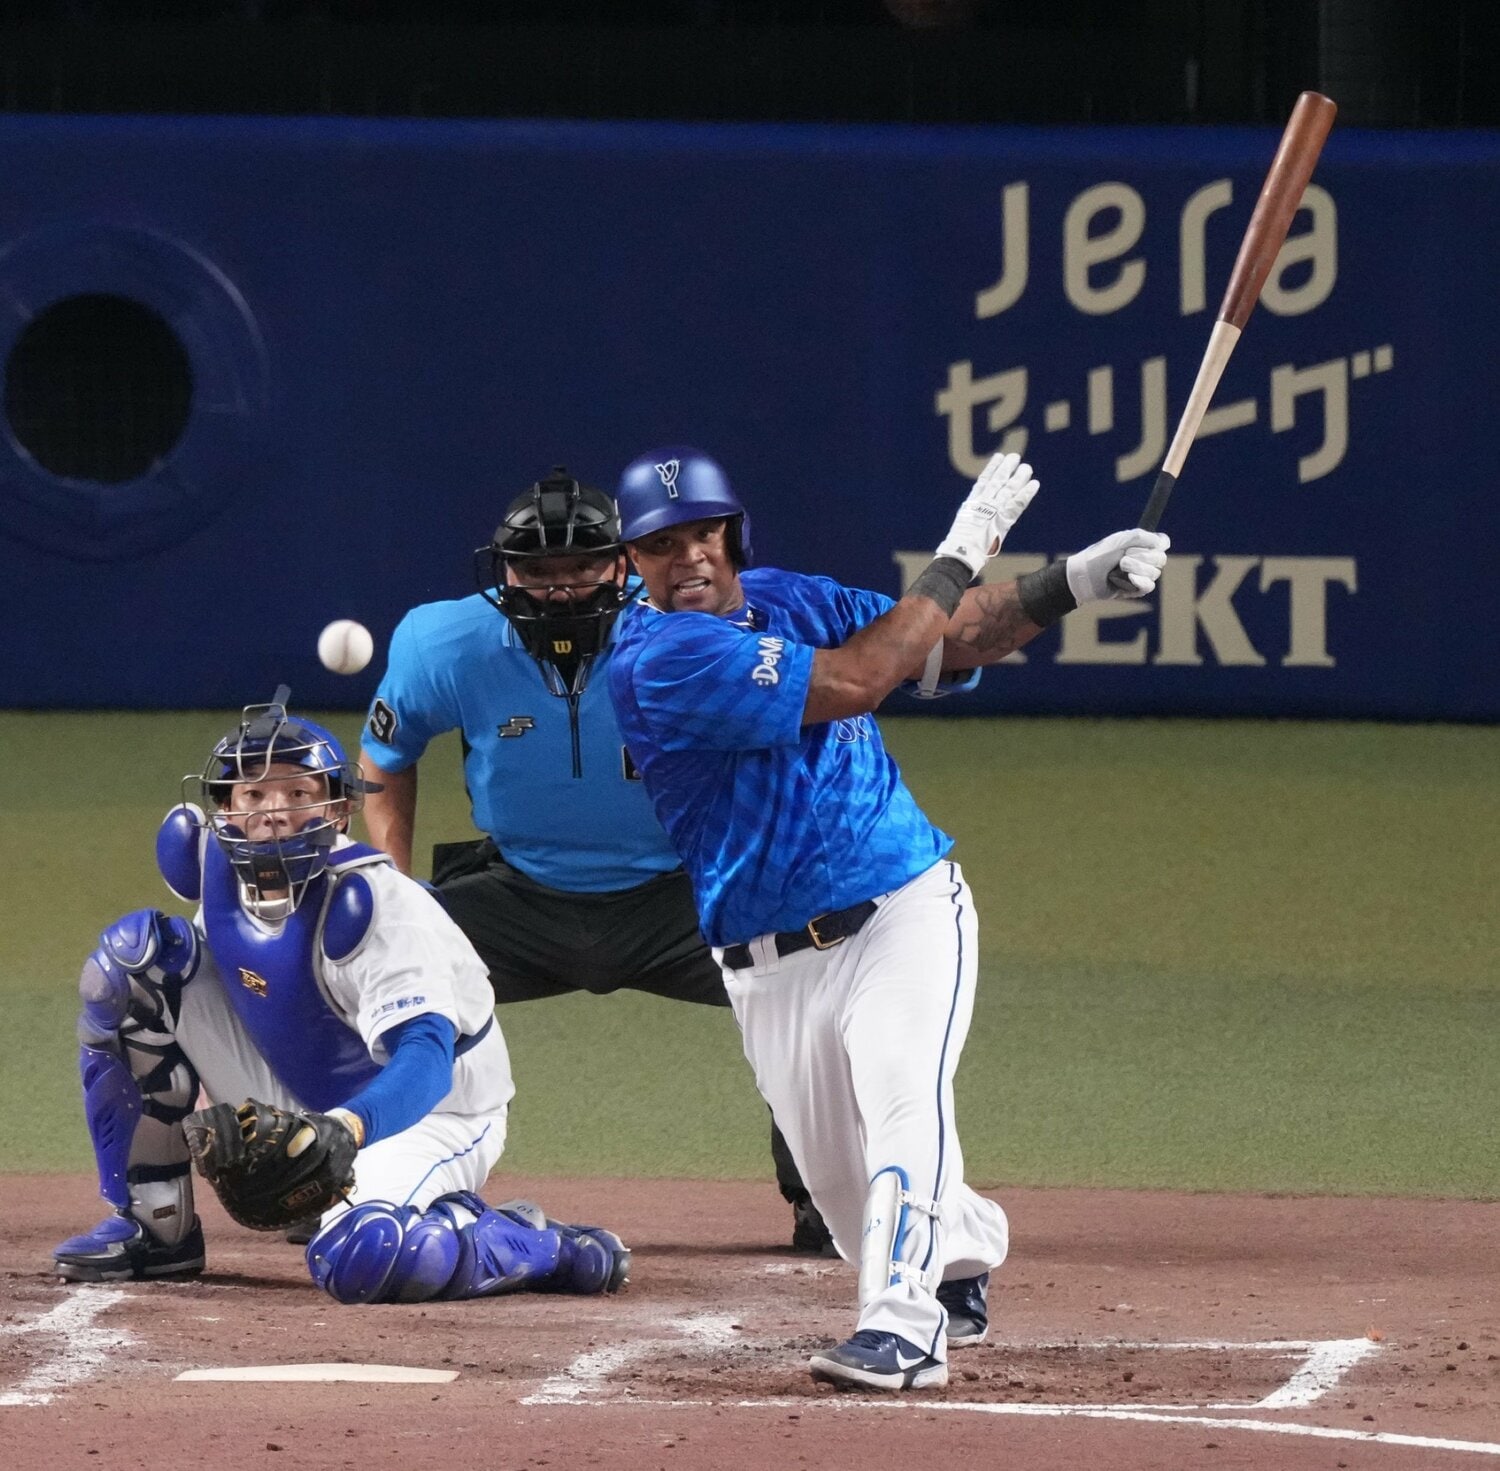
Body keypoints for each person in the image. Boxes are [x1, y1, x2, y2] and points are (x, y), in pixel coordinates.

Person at [608, 445, 1169, 1391]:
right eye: (661, 543)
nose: (688, 555)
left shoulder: (792, 597)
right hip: (767, 965)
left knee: (906, 1095)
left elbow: (946, 639)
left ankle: (902, 1330)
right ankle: (963, 1238)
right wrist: (964, 543)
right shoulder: (657, 659)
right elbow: (861, 679)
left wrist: (1074, 579)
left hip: (901, 906)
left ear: (730, 534)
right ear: (633, 563)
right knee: (843, 1208)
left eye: (701, 531)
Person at [358, 465, 833, 1253]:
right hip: (518, 898)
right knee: (363, 970)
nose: (562, 587)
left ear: (623, 563)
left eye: (582, 565)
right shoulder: (444, 642)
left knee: (811, 984)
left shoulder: (690, 641)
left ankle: (824, 1195)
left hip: (684, 894)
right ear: (504, 572)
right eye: (538, 571)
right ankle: (352, 1181)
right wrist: (394, 892)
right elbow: (385, 757)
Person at [53, 689, 630, 1305]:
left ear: (336, 812)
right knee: (131, 965)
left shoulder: (377, 906)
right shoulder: (220, 878)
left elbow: (427, 1063)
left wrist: (346, 1131)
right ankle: (156, 1229)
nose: (274, 811)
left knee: (366, 1259)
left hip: (432, 1114)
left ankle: (534, 1241)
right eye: (253, 795)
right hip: (309, 1094)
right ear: (222, 811)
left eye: (298, 794)